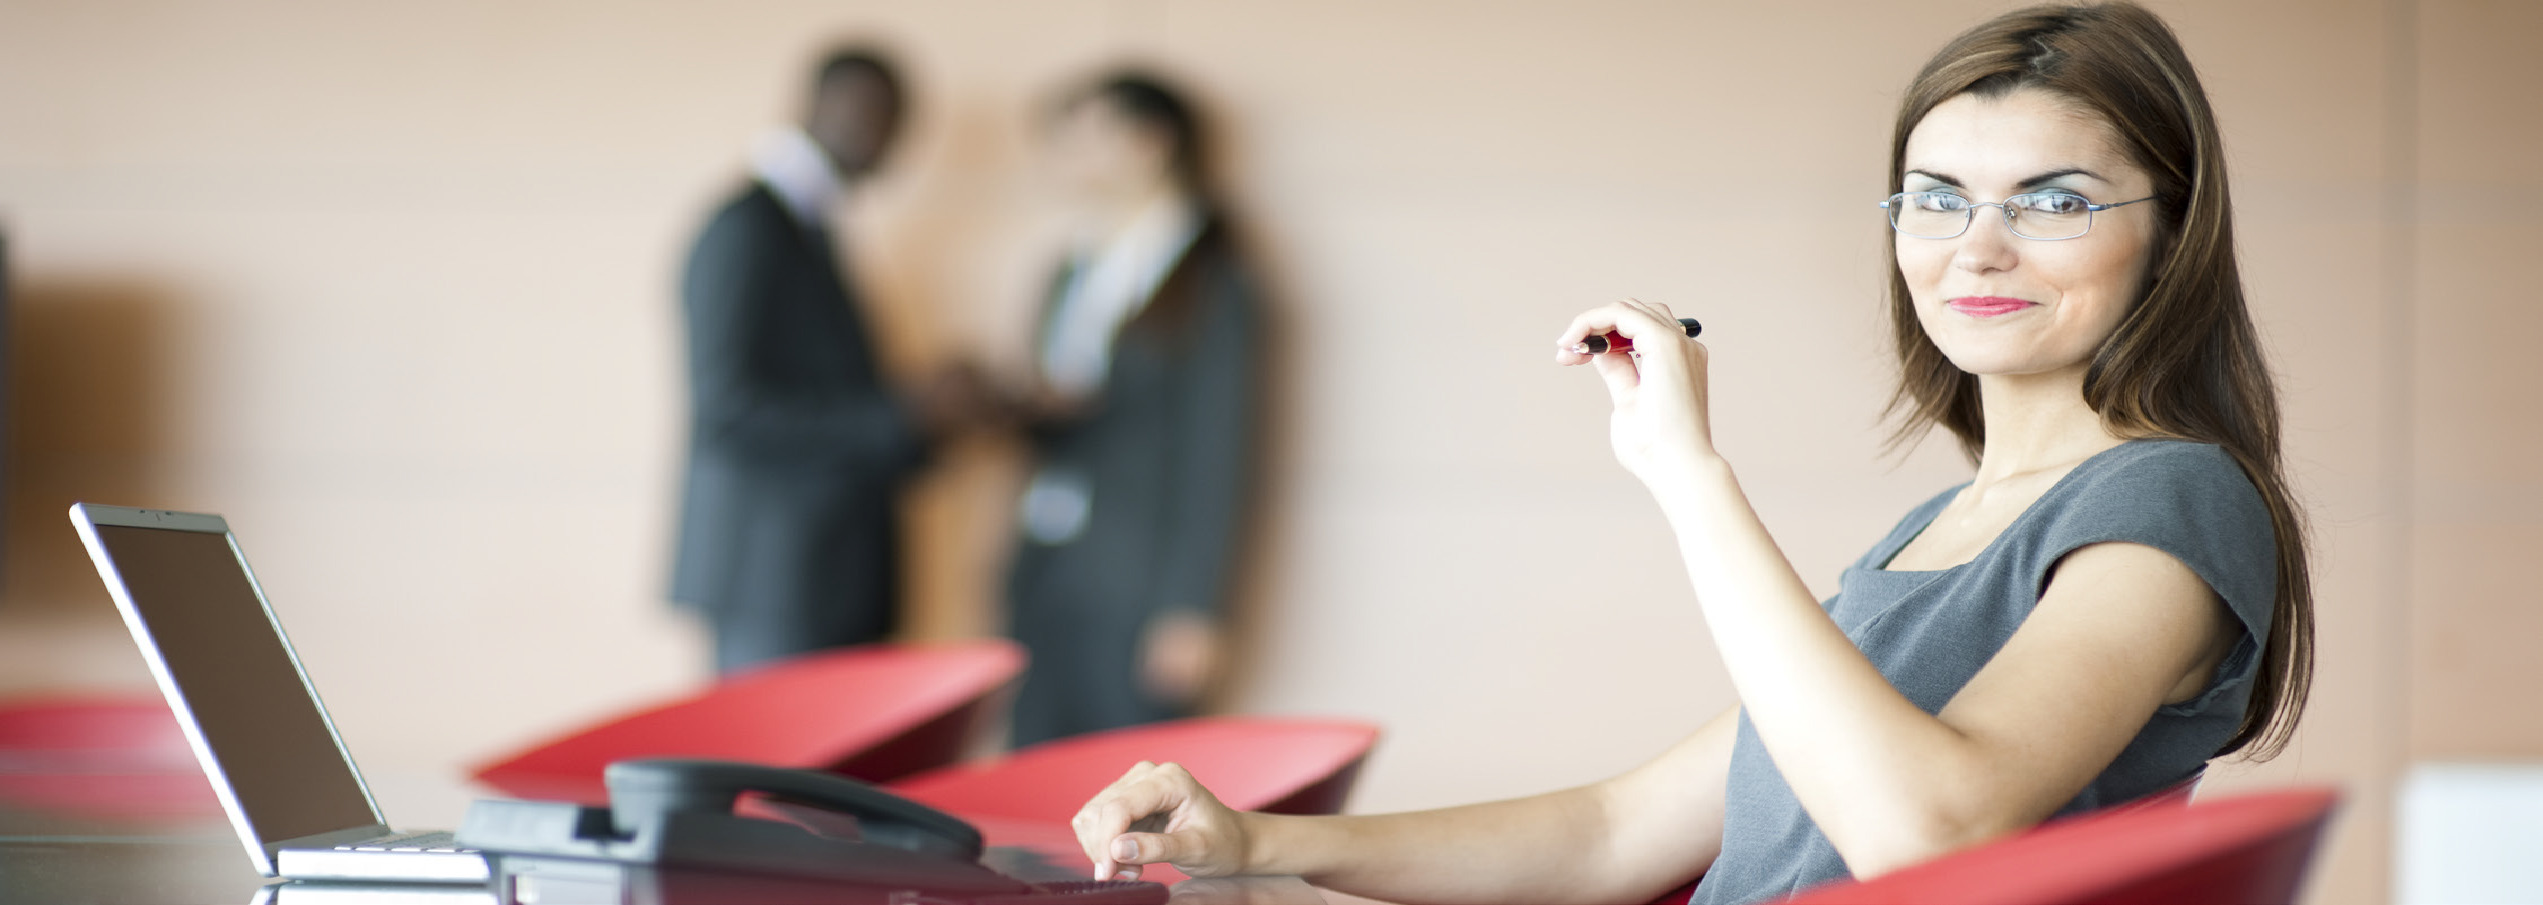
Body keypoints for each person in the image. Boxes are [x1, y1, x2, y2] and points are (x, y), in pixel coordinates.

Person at [1064, 5, 2316, 903]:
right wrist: (1254, 841)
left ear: (2171, 232)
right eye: (1935, 197)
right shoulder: (1935, 529)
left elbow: (1924, 836)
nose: (1974, 247)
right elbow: (1613, 830)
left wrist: (1685, 471)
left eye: (2051, 201)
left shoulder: (2173, 500)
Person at [669, 48, 975, 673]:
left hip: (819, 576)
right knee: (771, 741)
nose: (891, 141)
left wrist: (925, 410)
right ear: (824, 105)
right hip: (775, 580)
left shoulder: (811, 229)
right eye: (880, 115)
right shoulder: (748, 228)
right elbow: (728, 409)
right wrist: (901, 416)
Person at [1001, 71, 1265, 745]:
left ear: (1151, 142)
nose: (1070, 154)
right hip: (1048, 561)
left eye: (1089, 136)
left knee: (1130, 772)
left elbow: (1221, 447)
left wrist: (1192, 605)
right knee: (1030, 767)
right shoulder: (1072, 270)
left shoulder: (1209, 278)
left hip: (1139, 579)